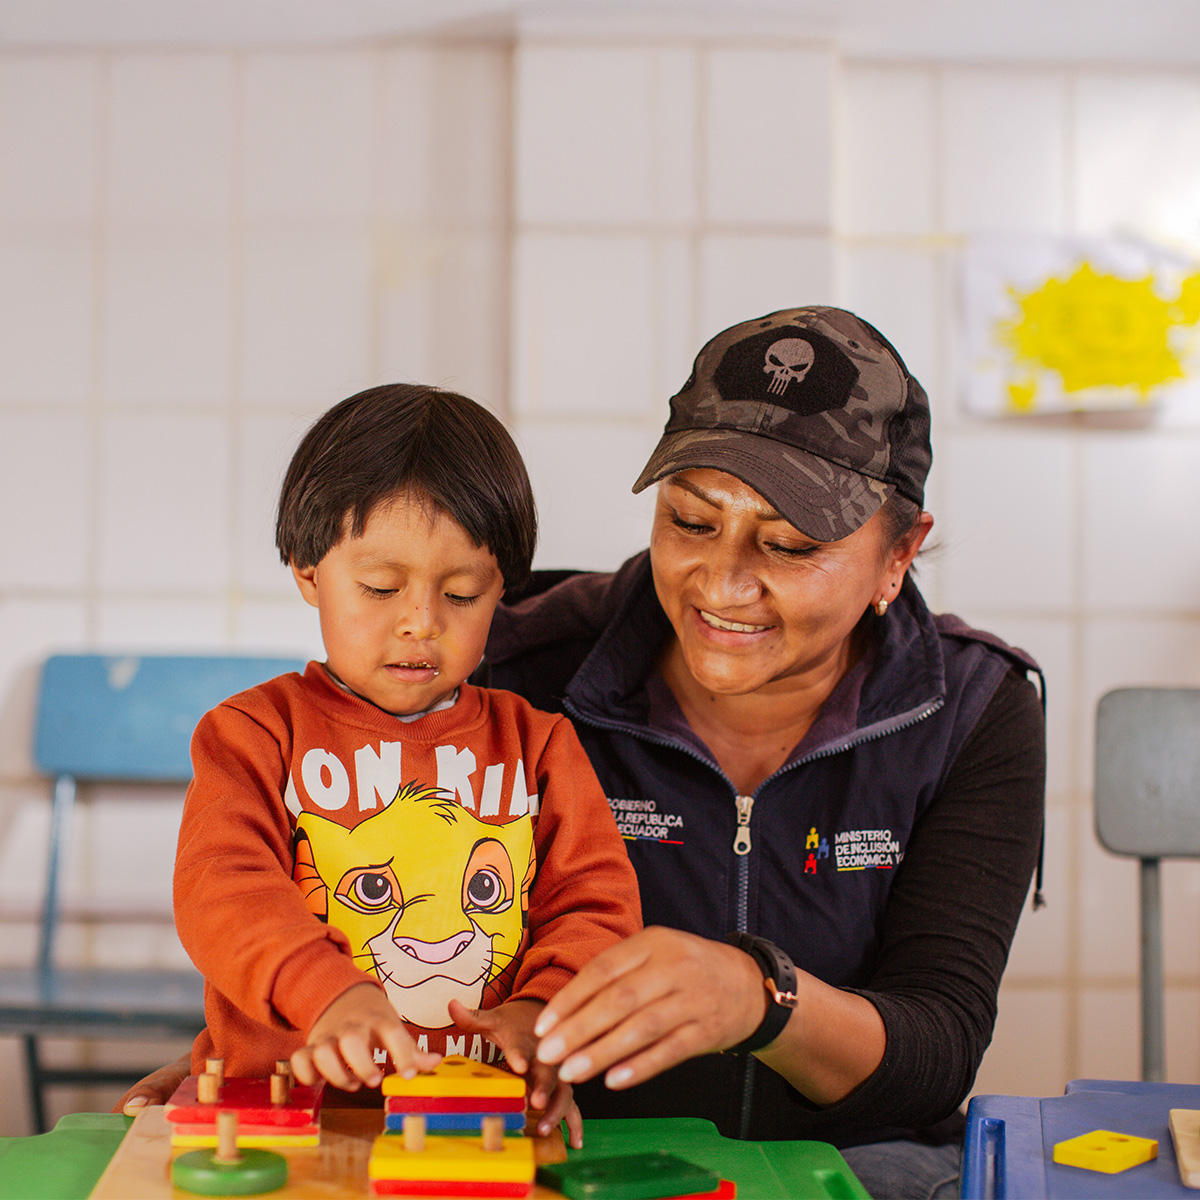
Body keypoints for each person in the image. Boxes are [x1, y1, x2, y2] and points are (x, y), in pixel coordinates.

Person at [120, 309, 1044, 1199]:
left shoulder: (968, 706)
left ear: (899, 555)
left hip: (852, 1162)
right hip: (570, 1154)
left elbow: (936, 1046)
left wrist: (762, 1000)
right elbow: (246, 879)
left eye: (790, 546)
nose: (723, 584)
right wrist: (262, 1039)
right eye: (690, 521)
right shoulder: (522, 661)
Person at [168, 383, 641, 1144]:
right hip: (282, 1122)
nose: (421, 621)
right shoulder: (253, 732)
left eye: (462, 593)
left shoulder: (541, 745)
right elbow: (221, 890)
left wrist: (537, 1014)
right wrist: (326, 996)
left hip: (476, 1127)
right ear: (307, 571)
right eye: (381, 587)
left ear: (503, 590)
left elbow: (597, 907)